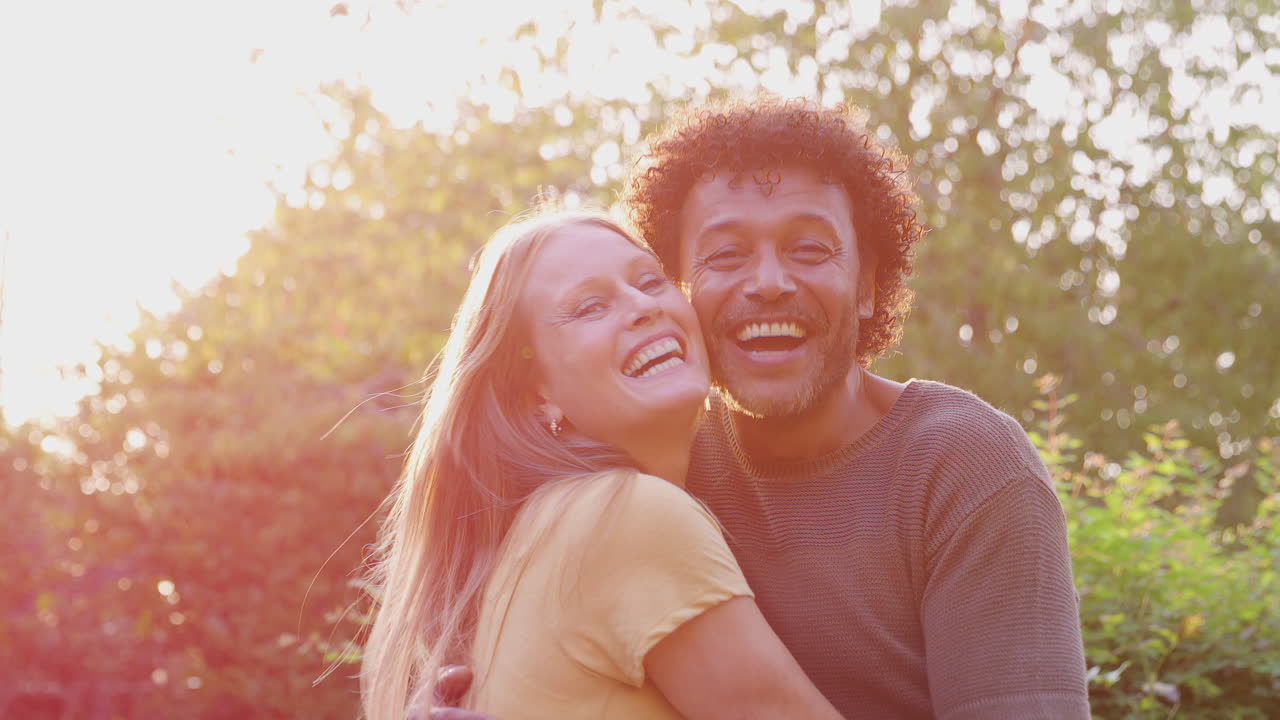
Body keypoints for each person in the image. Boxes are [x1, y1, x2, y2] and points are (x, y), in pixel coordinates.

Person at [428, 96, 1091, 719]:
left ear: (867, 286)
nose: (769, 283)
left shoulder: (964, 466)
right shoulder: (649, 474)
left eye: (809, 249)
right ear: (684, 292)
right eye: (726, 255)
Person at [361, 208, 847, 720]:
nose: (642, 306)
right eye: (590, 307)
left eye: (650, 281)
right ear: (533, 395)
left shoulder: (549, 526)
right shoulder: (629, 516)